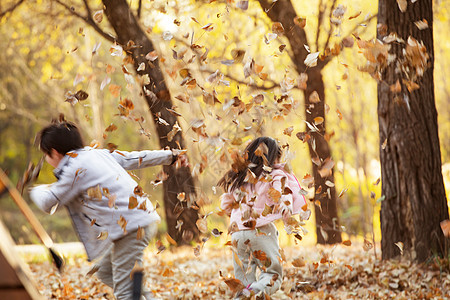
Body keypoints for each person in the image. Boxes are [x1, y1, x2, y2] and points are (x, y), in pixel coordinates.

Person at [29, 120, 187, 300]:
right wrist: (171, 156)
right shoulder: (96, 154)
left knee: (125, 292)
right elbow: (134, 158)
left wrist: (34, 189)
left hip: (131, 228)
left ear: (55, 152)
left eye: (46, 155)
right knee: (105, 272)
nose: (48, 161)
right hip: (140, 221)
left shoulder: (74, 168)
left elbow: (48, 202)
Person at [218, 137, 308, 299]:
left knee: (244, 277)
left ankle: (245, 293)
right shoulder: (275, 173)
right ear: (274, 157)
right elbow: (281, 192)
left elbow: (226, 203)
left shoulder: (240, 175)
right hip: (261, 231)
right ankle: (254, 292)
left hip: (237, 234)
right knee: (272, 274)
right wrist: (286, 206)